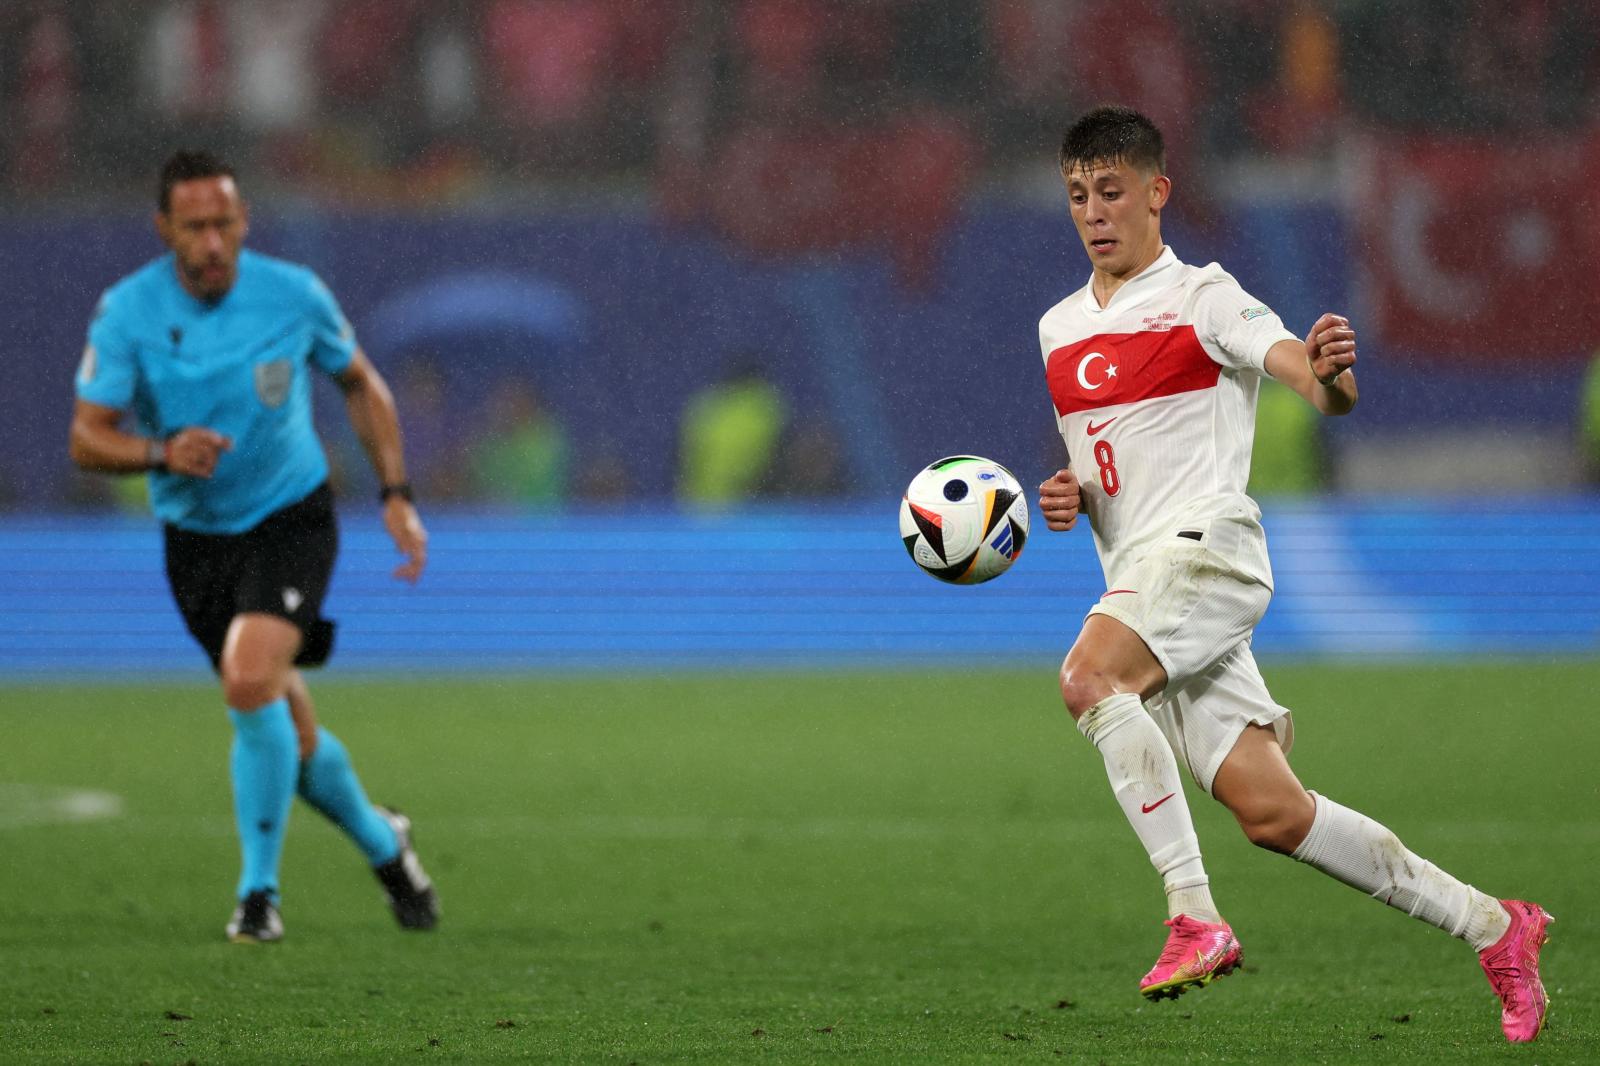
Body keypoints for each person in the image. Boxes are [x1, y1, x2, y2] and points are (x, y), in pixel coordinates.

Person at [1034, 107, 1551, 1043]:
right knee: (1274, 813)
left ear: (1157, 193)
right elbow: (1116, 480)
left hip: (1209, 551)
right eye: (1078, 196)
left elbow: (1308, 381)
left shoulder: (1204, 296)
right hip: (1152, 575)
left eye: (1111, 192)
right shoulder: (1058, 329)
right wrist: (1072, 500)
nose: (1094, 213)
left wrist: (1328, 374)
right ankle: (1494, 925)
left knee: (1089, 678)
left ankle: (1193, 915)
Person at [68, 150, 439, 943]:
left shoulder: (293, 294)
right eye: (194, 226)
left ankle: (257, 897)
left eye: (224, 223)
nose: (211, 242)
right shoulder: (127, 313)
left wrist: (398, 496)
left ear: (244, 223)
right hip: (197, 540)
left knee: (246, 678)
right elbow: (87, 438)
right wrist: (162, 453)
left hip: (289, 519)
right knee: (284, 725)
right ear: (164, 228)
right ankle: (385, 843)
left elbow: (361, 382)